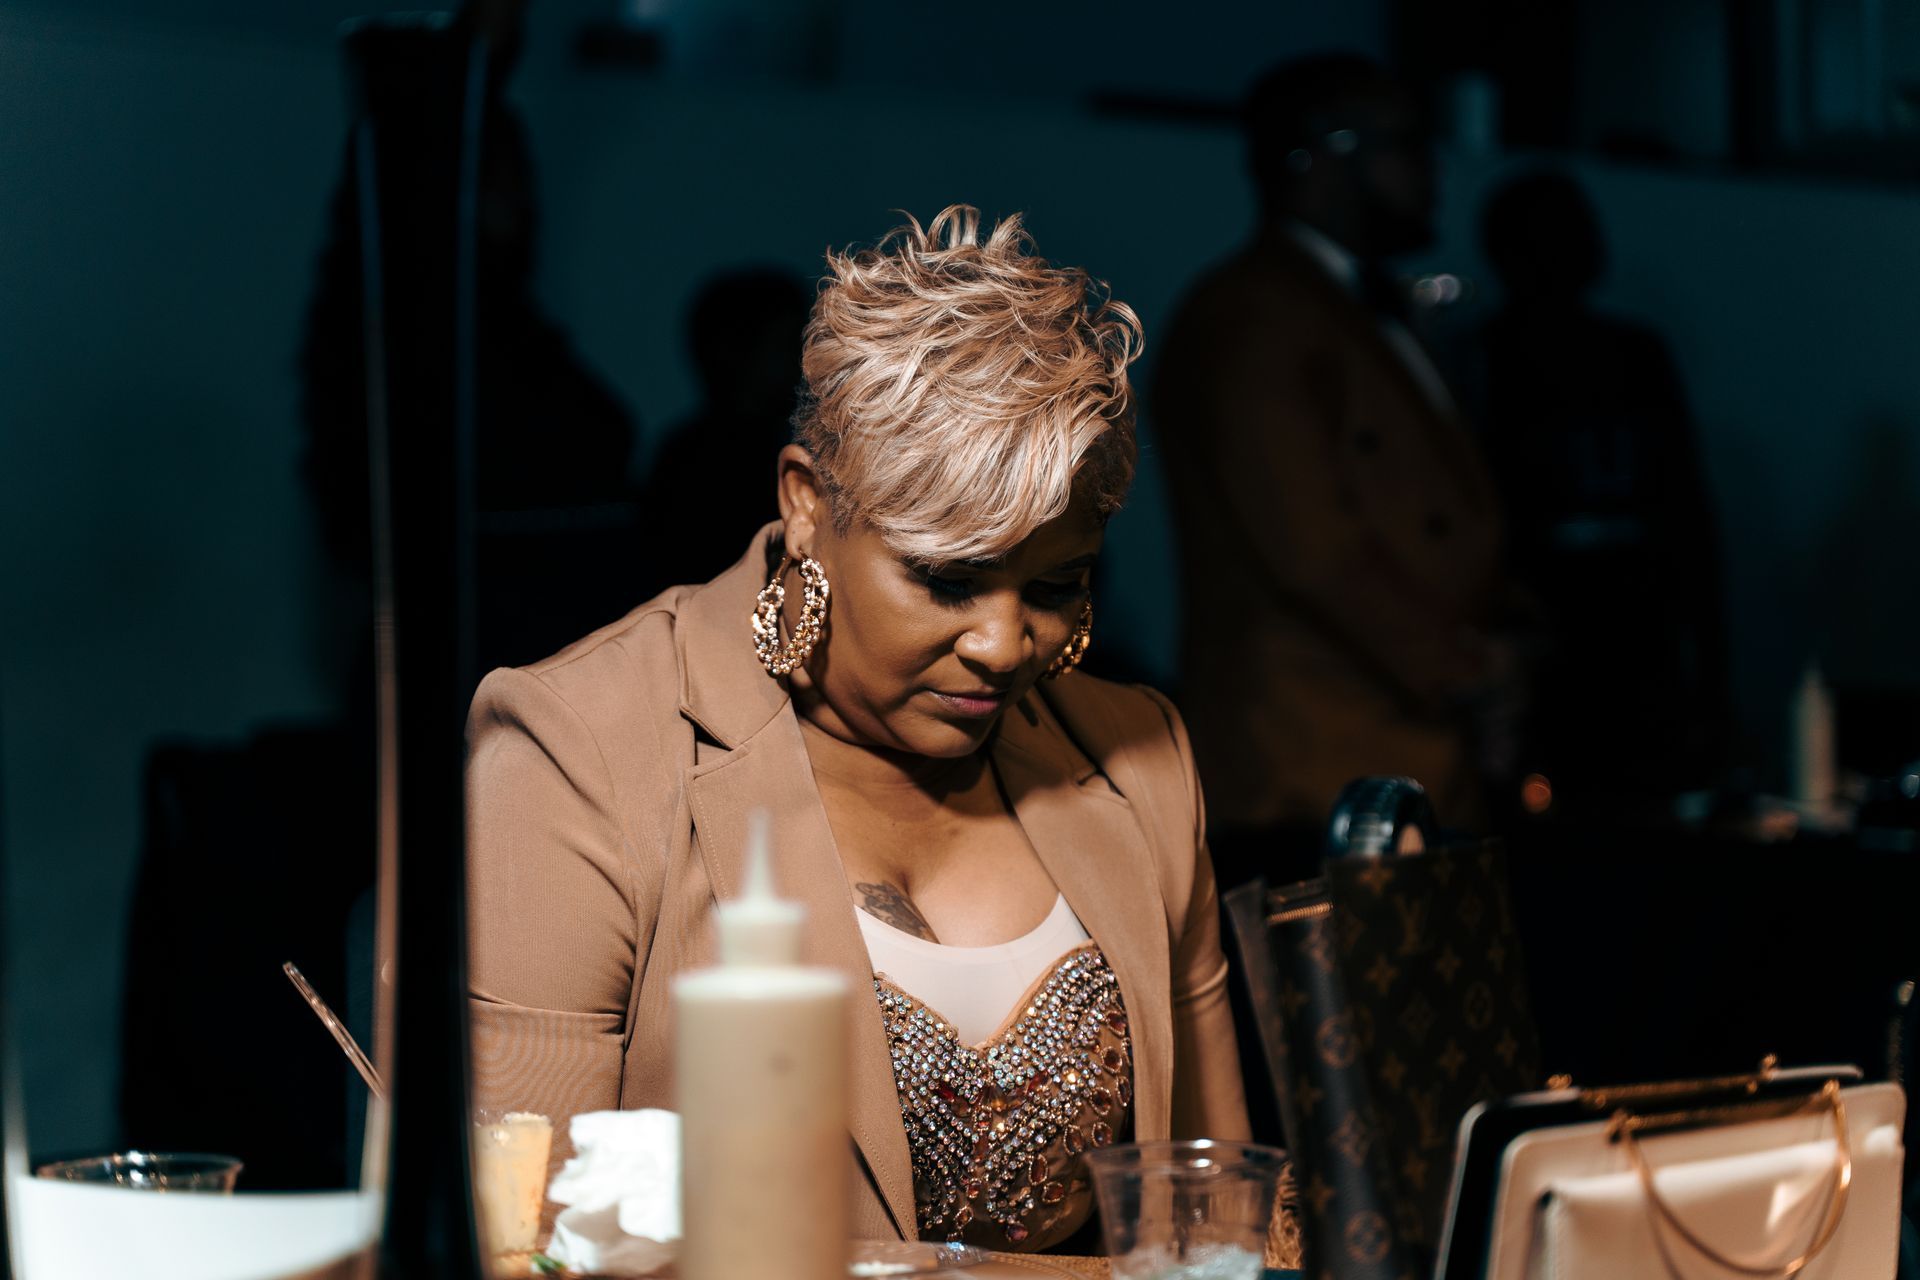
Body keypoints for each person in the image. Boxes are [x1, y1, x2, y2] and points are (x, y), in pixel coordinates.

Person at [465, 206, 1252, 1253]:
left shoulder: (1139, 758)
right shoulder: (578, 757)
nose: (1004, 644)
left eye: (1056, 583)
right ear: (804, 502)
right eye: (947, 578)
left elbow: (1222, 1221)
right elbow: (519, 1245)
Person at [1155, 55, 1515, 861]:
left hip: (1398, 763)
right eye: (1405, 144)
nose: (1432, 171)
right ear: (1318, 157)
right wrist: (1472, 670)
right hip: (1311, 773)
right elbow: (1312, 549)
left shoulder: (1353, 307)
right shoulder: (1253, 316)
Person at [1475, 169, 1728, 804]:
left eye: (1578, 236)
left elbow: (1686, 511)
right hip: (1538, 636)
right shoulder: (1485, 359)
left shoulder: (1635, 356)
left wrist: (1712, 670)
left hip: (1636, 632)